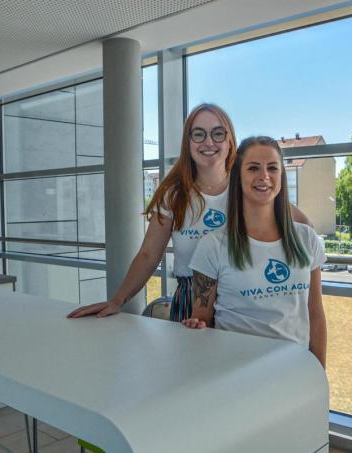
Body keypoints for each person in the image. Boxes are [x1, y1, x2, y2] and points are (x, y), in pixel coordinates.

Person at [67, 104, 311, 321]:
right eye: (199, 134)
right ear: (188, 143)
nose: (208, 142)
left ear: (229, 142)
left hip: (240, 302)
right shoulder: (174, 196)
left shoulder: (245, 188)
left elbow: (299, 223)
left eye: (218, 133)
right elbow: (148, 255)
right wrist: (117, 300)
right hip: (190, 299)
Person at [181, 136, 327, 368]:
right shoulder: (213, 246)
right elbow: (203, 321)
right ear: (238, 177)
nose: (264, 176)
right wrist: (195, 327)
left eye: (272, 168)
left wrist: (319, 374)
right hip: (236, 374)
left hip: (295, 371)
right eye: (253, 168)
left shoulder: (306, 238)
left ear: (281, 176)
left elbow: (315, 315)